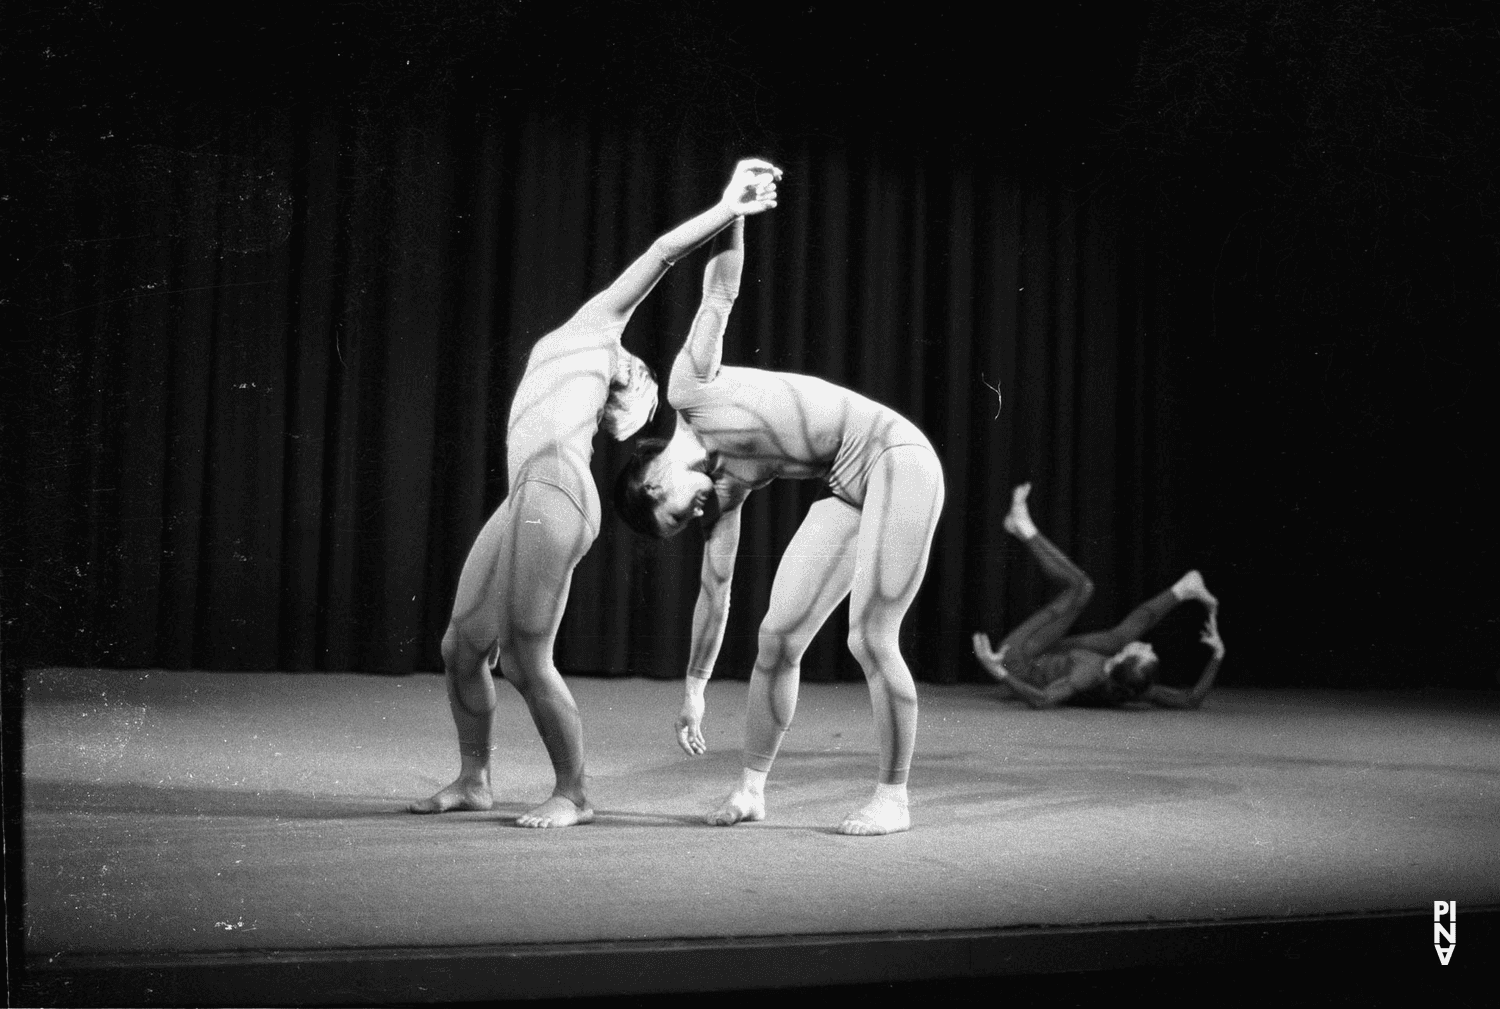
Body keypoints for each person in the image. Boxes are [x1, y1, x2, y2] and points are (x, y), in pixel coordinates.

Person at [410, 159, 783, 827]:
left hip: (557, 491)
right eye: (637, 398)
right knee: (461, 646)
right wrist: (731, 207)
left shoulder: (592, 395)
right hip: (522, 495)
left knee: (527, 658)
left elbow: (703, 309)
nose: (635, 410)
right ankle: (474, 778)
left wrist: (736, 220)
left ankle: (573, 792)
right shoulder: (599, 327)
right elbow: (665, 254)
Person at [613, 168, 946, 836]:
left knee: (868, 634)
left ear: (654, 478)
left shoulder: (688, 390)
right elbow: (716, 594)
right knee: (776, 638)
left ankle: (893, 795)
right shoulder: (727, 489)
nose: (693, 515)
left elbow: (721, 291)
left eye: (676, 512)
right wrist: (694, 690)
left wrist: (733, 209)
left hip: (894, 455)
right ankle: (752, 787)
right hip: (847, 485)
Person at [970, 483, 1224, 709]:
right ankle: (1184, 589)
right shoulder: (1133, 685)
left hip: (1017, 660)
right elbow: (1190, 699)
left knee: (1081, 587)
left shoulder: (1086, 673)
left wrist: (997, 671)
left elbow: (1042, 699)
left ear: (1118, 663)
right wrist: (1217, 655)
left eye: (1144, 651)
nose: (1148, 645)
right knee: (1117, 639)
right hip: (1051, 657)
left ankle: (1024, 528)